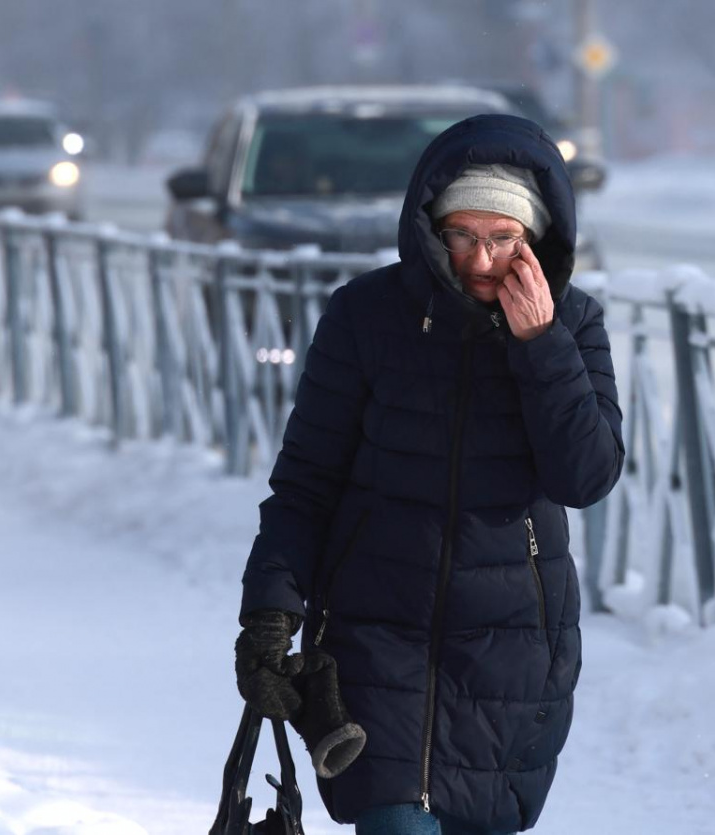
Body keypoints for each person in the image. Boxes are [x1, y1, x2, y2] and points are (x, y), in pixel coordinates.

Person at [232, 113, 624, 835]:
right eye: (463, 235)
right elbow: (307, 481)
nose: (481, 260)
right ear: (430, 228)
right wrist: (269, 614)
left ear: (536, 240)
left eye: (504, 239)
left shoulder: (573, 325)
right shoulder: (366, 316)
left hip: (510, 652)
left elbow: (586, 477)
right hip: (373, 641)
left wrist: (541, 346)